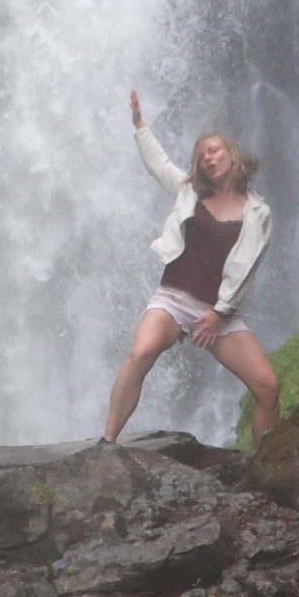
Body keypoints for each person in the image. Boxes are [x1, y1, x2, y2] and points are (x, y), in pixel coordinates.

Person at [102, 89, 280, 446]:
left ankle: (265, 467)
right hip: (173, 298)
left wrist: (219, 313)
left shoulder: (258, 213)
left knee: (268, 387)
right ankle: (106, 444)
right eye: (201, 156)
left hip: (218, 312)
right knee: (140, 354)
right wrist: (139, 125)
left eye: (213, 151)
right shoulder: (190, 192)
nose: (207, 159)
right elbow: (160, 165)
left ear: (231, 154)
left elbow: (247, 272)